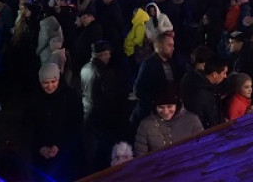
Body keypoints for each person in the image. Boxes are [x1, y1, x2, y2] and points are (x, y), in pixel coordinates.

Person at [24, 63, 84, 181]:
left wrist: (59, 144)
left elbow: (76, 124)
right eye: (46, 82)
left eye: (53, 81)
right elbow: (27, 127)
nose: (50, 86)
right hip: (42, 155)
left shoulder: (70, 97)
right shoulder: (34, 99)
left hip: (67, 154)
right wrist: (40, 148)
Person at [80, 40, 126, 173]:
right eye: (108, 53)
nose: (110, 56)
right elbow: (111, 98)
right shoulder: (105, 72)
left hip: (88, 116)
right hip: (103, 119)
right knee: (103, 155)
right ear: (102, 54)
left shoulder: (85, 68)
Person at [131, 32, 182, 127]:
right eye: (170, 45)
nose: (173, 48)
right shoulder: (149, 65)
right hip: (153, 114)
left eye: (173, 45)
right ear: (160, 46)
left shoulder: (172, 62)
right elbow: (139, 90)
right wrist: (156, 104)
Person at [133, 90, 203, 157]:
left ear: (177, 106)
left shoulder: (192, 120)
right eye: (161, 107)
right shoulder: (146, 125)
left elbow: (202, 147)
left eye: (169, 106)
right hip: (159, 167)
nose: (165, 111)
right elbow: (141, 155)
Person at [180, 55, 228, 129]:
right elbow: (199, 118)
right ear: (215, 74)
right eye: (224, 73)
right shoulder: (199, 92)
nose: (225, 76)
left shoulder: (210, 86)